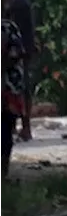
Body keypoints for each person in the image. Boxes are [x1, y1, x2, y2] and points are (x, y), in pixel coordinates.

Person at [2, 0, 36, 142]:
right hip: (22, 50)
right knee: (21, 87)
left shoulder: (16, 3)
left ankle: (22, 126)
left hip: (15, 52)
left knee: (16, 88)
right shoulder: (24, 1)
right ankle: (23, 126)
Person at [0, 12, 24, 179]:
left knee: (5, 133)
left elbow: (15, 55)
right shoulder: (9, 27)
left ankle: (2, 173)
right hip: (9, 90)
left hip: (8, 90)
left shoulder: (8, 27)